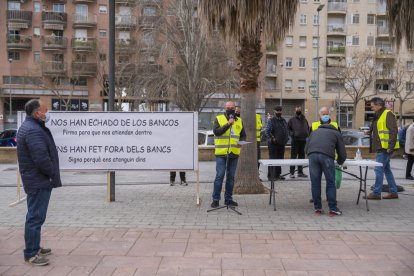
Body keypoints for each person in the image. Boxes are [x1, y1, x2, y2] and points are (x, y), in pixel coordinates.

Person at [17, 99, 62, 266]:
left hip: (35, 179)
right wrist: (51, 174)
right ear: (37, 113)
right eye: (45, 109)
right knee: (35, 217)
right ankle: (31, 253)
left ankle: (34, 246)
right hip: (38, 181)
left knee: (35, 216)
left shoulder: (31, 127)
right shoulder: (33, 131)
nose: (48, 112)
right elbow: (41, 158)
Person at [306, 122, 347, 216]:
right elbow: (342, 153)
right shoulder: (336, 133)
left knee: (315, 183)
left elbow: (306, 148)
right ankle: (333, 209)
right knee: (331, 182)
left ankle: (318, 209)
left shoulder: (314, 132)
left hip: (312, 156)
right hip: (327, 156)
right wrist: (339, 162)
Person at [211, 101, 246, 208]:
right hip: (221, 153)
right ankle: (216, 199)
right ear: (225, 108)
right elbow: (216, 132)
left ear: (235, 109)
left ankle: (228, 199)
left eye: (232, 107)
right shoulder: (219, 118)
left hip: (234, 153)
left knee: (231, 178)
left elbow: (243, 135)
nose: (230, 109)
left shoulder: (239, 120)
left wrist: (241, 142)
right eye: (228, 107)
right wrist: (228, 124)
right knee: (220, 176)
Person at [365, 97, 400, 200]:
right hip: (381, 147)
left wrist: (391, 147)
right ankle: (393, 191)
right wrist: (369, 131)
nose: (371, 108)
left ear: (379, 105)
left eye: (372, 106)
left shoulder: (388, 114)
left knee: (378, 169)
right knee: (387, 170)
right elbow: (376, 125)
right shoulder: (378, 114)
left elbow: (393, 131)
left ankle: (376, 193)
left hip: (384, 148)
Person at [265, 106, 289, 180]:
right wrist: (273, 139)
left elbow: (286, 130)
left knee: (280, 159)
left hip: (282, 143)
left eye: (280, 111)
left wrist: (286, 138)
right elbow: (267, 132)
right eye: (277, 111)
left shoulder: (283, 120)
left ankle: (278, 174)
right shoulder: (271, 120)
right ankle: (271, 176)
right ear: (274, 111)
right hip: (273, 144)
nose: (279, 112)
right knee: (273, 159)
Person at [288, 106, 309, 178]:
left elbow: (307, 128)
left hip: (303, 140)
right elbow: (288, 129)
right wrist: (292, 134)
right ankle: (292, 172)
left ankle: (300, 172)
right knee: (293, 156)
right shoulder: (292, 120)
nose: (298, 110)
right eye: (297, 109)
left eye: (299, 109)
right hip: (295, 140)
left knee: (302, 156)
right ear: (295, 111)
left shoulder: (304, 119)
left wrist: (307, 134)